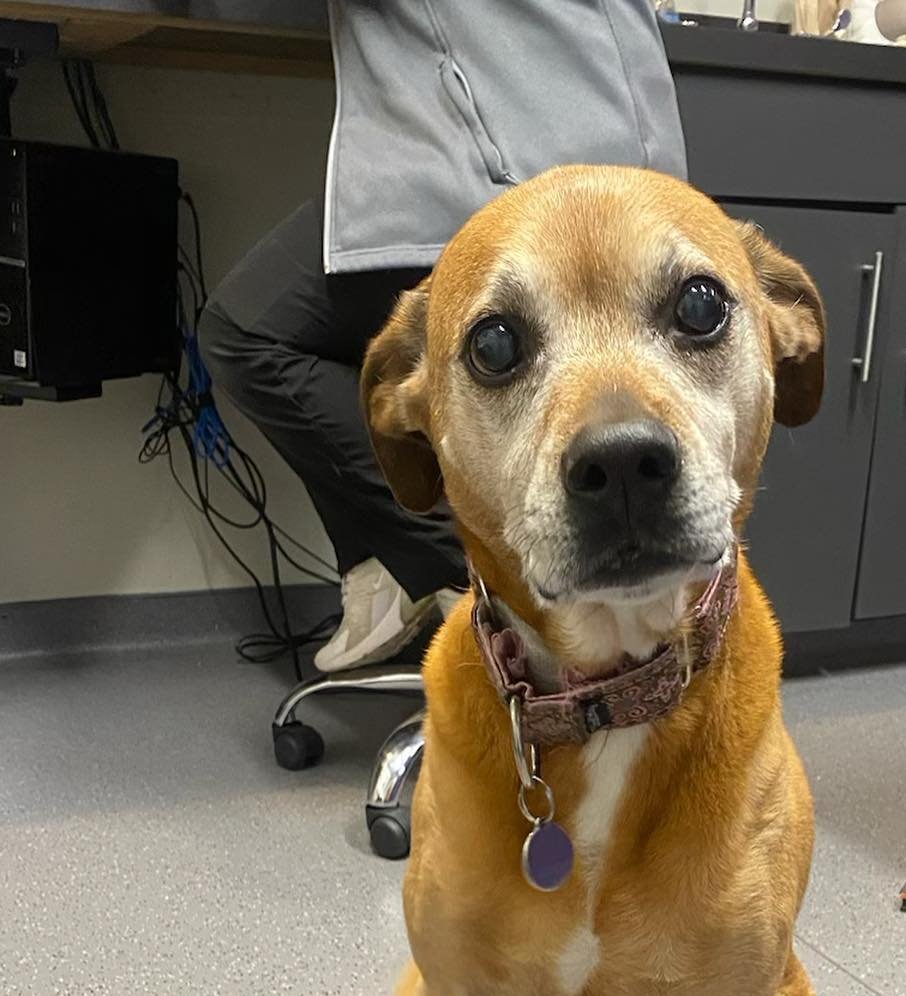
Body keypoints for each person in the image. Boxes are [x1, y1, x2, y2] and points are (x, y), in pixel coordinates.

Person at [199, 2, 688, 673]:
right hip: (571, 117)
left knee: (248, 330)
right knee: (323, 341)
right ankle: (397, 567)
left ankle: (472, 568)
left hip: (504, 138)